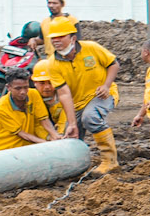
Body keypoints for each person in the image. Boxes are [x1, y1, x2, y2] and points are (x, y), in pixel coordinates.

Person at [33, 16, 121, 174]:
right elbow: (65, 94)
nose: (56, 41)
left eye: (61, 37)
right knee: (70, 136)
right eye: (53, 38)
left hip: (100, 95)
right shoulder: (53, 63)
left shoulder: (91, 48)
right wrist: (72, 123)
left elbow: (113, 64)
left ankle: (110, 161)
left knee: (91, 118)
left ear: (73, 38)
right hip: (77, 102)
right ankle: (73, 168)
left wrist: (106, 86)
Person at [0, 69, 56, 150]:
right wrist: (45, 143)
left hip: (25, 149)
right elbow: (22, 134)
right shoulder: (1, 107)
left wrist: (54, 135)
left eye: (26, 87)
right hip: (3, 150)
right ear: (8, 87)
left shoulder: (33, 94)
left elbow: (43, 119)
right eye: (18, 88)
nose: (23, 92)